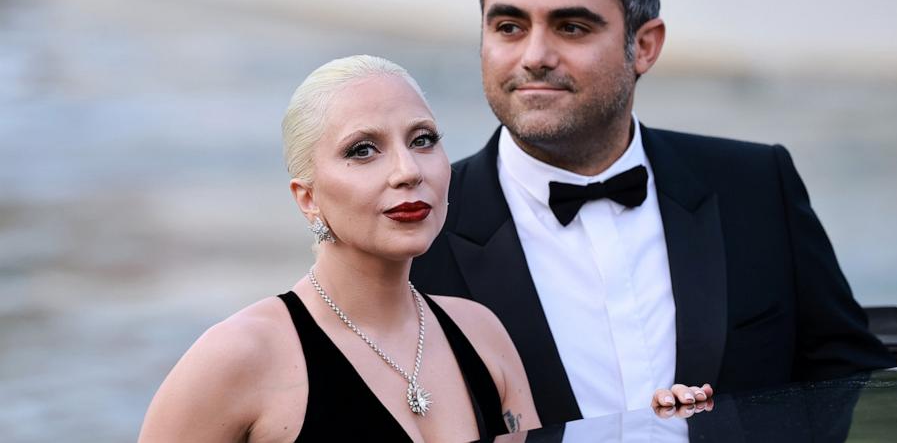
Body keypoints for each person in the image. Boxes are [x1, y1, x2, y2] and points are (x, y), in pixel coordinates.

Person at [410, 0, 895, 427]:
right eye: (509, 27)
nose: (534, 56)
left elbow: (851, 381)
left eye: (571, 27)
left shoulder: (758, 188)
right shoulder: (418, 229)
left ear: (644, 46)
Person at [138, 55, 706, 442]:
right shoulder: (239, 356)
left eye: (423, 140)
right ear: (307, 198)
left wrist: (643, 428)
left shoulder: (481, 336)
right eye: (363, 150)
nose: (408, 171)